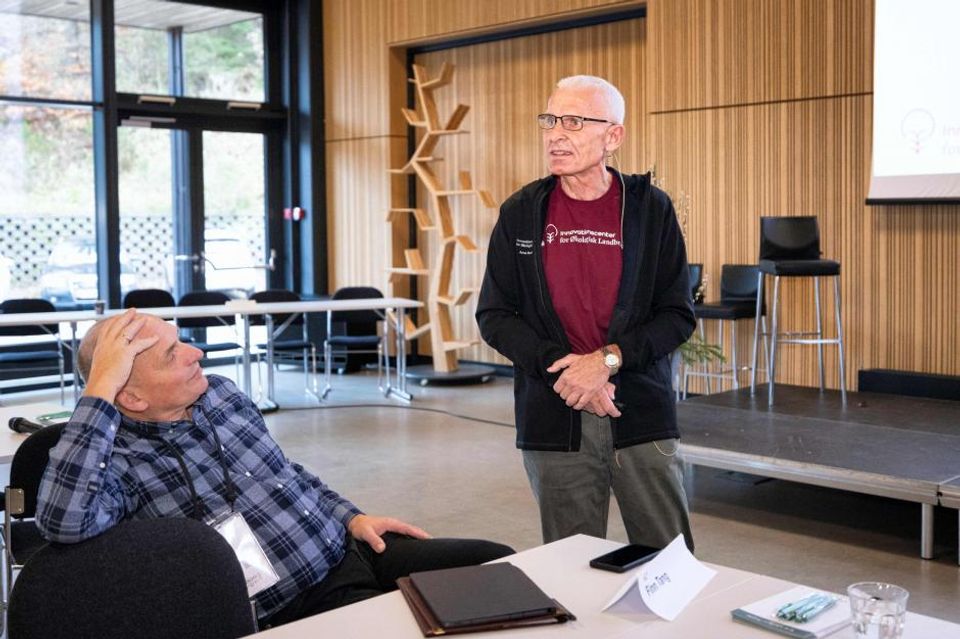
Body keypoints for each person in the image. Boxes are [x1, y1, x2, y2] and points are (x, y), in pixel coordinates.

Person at [36, 309, 513, 626]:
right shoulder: (115, 460)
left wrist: (350, 516)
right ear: (131, 396)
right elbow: (63, 522)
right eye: (172, 355)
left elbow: (284, 472)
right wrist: (99, 390)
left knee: (498, 567)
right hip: (298, 603)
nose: (197, 353)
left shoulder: (220, 394)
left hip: (347, 549)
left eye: (181, 341)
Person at [476, 75, 696, 551]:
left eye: (573, 122)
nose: (555, 134)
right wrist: (571, 372)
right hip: (555, 416)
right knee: (570, 566)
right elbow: (495, 315)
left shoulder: (650, 210)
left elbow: (676, 314)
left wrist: (607, 361)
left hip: (640, 412)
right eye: (550, 120)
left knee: (668, 563)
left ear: (613, 136)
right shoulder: (521, 212)